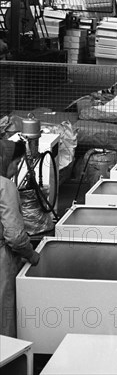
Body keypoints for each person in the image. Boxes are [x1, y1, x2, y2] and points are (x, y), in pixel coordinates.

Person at [1, 139, 41, 337]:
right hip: (1, 260)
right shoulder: (5, 187)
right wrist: (31, 255)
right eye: (16, 163)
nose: (17, 170)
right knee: (3, 315)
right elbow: (15, 237)